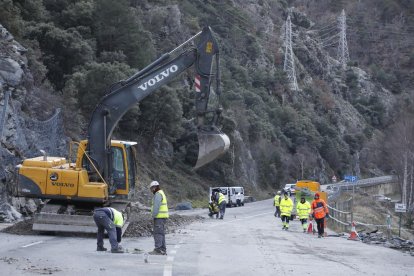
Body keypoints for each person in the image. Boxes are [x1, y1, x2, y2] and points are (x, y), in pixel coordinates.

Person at [149, 180, 169, 255]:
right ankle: (163, 249)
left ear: (154, 187)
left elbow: (156, 206)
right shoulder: (161, 193)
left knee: (158, 233)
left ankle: (158, 249)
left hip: (159, 217)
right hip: (162, 217)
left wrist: (153, 215)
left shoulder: (158, 194)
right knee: (161, 233)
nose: (151, 191)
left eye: (151, 189)